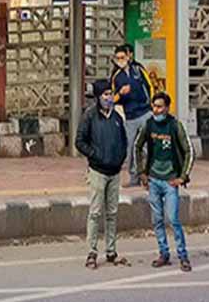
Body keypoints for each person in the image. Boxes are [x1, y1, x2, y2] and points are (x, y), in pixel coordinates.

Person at [135, 92, 195, 272]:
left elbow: (189, 152)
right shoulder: (148, 125)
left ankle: (183, 255)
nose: (156, 110)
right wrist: (141, 172)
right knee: (157, 220)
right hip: (153, 180)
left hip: (170, 182)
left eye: (160, 107)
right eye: (154, 106)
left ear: (167, 108)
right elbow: (137, 147)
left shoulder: (175, 126)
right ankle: (163, 253)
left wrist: (182, 177)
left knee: (173, 219)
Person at [76, 79, 129, 269]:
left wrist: (120, 158)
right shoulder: (89, 116)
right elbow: (79, 141)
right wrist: (96, 156)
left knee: (112, 213)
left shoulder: (117, 118)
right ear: (98, 97)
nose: (109, 98)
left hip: (115, 172)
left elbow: (124, 141)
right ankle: (92, 252)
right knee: (95, 212)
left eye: (110, 94)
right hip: (98, 171)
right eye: (105, 95)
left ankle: (111, 251)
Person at [111, 43, 154, 187]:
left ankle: (148, 175)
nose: (120, 60)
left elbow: (150, 86)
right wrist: (120, 94)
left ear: (128, 57)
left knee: (147, 147)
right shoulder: (116, 77)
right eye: (117, 58)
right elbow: (112, 99)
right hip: (129, 117)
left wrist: (152, 106)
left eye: (122, 57)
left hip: (145, 112)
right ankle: (134, 177)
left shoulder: (138, 69)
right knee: (130, 148)